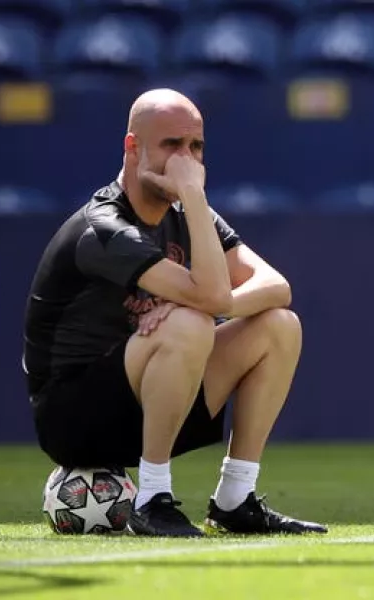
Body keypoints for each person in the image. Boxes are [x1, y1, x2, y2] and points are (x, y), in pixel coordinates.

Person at [22, 88, 328, 538]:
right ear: (133, 147)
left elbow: (276, 286)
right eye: (172, 145)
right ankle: (151, 500)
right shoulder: (104, 228)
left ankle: (234, 499)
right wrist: (200, 306)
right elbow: (206, 295)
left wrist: (209, 306)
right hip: (74, 419)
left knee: (279, 326)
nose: (187, 160)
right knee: (189, 321)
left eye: (196, 147)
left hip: (156, 397)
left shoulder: (190, 211)